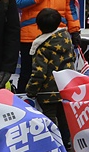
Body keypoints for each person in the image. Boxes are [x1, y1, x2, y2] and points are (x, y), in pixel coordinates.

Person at [24, 8, 74, 138]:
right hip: (66, 87)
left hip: (47, 92)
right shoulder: (66, 39)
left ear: (38, 25)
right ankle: (67, 141)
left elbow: (39, 73)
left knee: (49, 118)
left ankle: (52, 141)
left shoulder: (41, 46)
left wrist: (31, 90)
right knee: (64, 118)